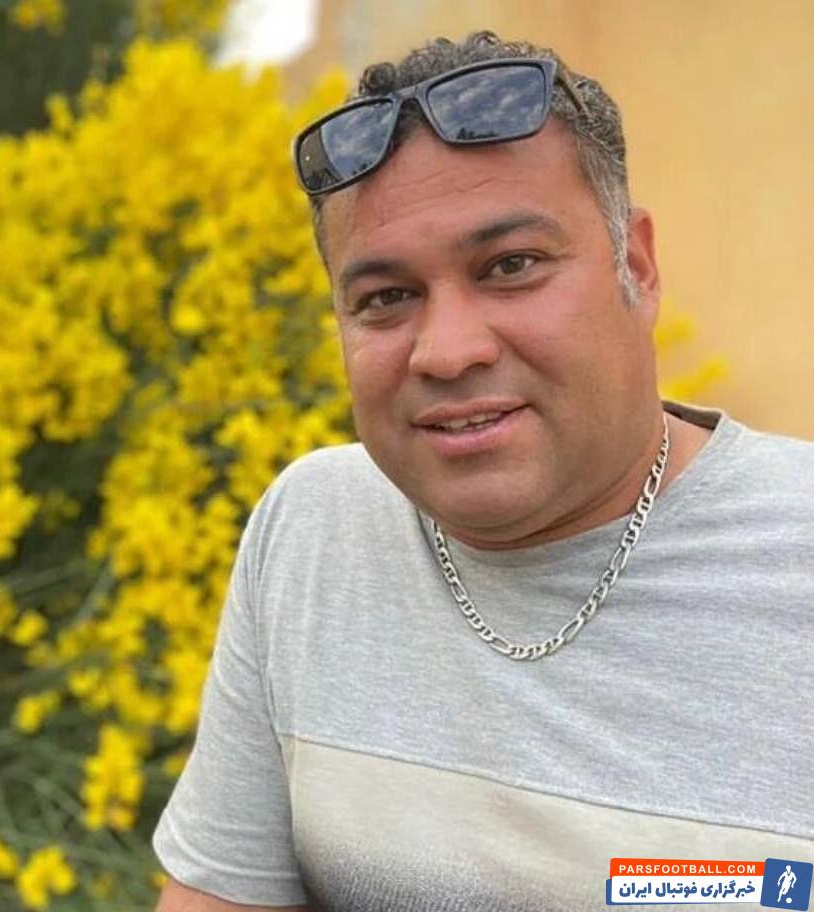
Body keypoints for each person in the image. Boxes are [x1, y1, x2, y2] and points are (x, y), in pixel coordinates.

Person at [151, 30, 814, 912]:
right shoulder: (313, 531)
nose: (448, 350)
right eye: (386, 298)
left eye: (511, 267)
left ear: (637, 267)